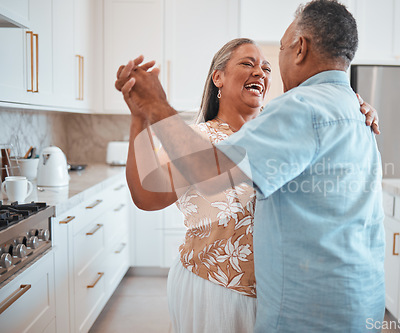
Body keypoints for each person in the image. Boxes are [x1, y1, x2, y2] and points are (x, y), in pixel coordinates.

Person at [116, 1, 384, 331]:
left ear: (299, 50)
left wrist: (348, 102)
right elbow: (146, 195)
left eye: (267, 66)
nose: (261, 72)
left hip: (277, 301)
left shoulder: (287, 123)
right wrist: (140, 117)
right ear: (218, 77)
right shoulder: (196, 138)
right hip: (214, 292)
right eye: (248, 63)